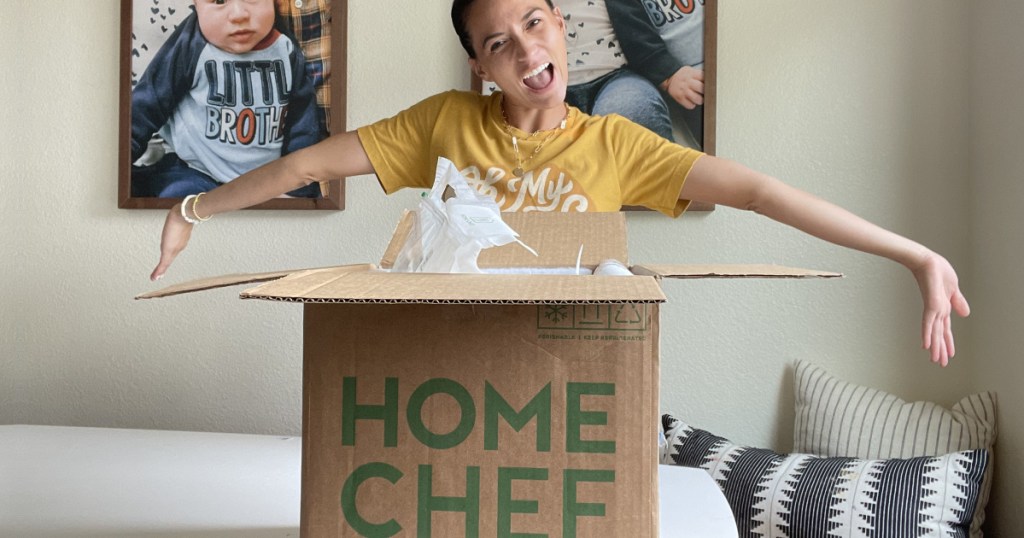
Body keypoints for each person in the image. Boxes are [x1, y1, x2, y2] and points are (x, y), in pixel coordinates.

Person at [149, 0, 969, 367]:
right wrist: (190, 206)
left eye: (534, 23)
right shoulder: (445, 123)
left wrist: (914, 255)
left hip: (568, 368)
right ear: (480, 66)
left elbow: (761, 192)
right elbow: (303, 164)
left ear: (558, 26)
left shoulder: (617, 145)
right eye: (499, 42)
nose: (526, 50)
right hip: (443, 360)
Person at [131, 0, 323, 199]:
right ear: (196, 4)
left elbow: (302, 123)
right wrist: (118, 169)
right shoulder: (191, 44)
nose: (239, 14)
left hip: (266, 181)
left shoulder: (285, 48)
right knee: (178, 199)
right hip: (198, 171)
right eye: (219, 1)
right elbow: (147, 103)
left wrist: (298, 188)